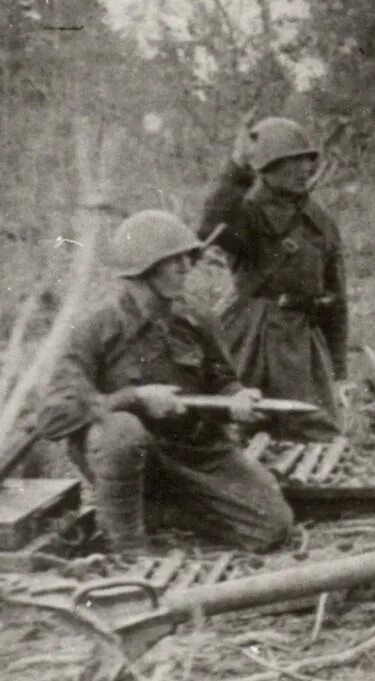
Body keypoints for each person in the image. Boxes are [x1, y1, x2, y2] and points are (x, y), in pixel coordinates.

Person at [37, 210, 294, 554]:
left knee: (274, 526)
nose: (186, 267)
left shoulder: (196, 316)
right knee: (121, 431)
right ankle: (127, 544)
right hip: (132, 457)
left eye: (188, 257)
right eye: (174, 260)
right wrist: (134, 398)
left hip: (197, 453)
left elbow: (222, 380)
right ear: (144, 270)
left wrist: (237, 399)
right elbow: (54, 416)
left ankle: (162, 513)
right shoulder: (95, 328)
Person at [198, 117, 347, 439]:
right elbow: (210, 229)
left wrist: (338, 369)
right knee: (239, 430)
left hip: (302, 344)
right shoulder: (247, 213)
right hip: (251, 337)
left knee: (314, 434)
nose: (305, 168)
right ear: (268, 167)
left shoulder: (320, 221)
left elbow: (337, 298)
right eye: (293, 161)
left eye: (308, 159)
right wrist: (237, 169)